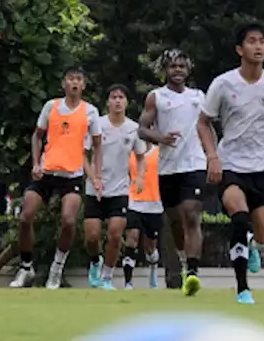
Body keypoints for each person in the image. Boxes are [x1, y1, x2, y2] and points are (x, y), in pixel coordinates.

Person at [197, 21, 264, 305]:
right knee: (239, 217)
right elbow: (203, 123)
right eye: (252, 41)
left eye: (262, 41)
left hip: (263, 169)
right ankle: (243, 289)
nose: (258, 46)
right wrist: (212, 157)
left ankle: (254, 244)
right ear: (240, 49)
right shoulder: (224, 84)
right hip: (231, 166)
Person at [11, 67, 102, 289]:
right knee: (25, 217)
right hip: (46, 172)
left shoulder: (90, 111)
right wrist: (35, 163)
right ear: (64, 84)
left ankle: (56, 269)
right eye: (70, 79)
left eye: (79, 79)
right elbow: (37, 135)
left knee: (69, 221)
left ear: (83, 85)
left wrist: (97, 176)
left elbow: (98, 145)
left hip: (72, 175)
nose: (74, 83)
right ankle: (26, 267)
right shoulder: (51, 106)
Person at [139, 49, 208, 295]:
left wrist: (214, 156)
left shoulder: (199, 96)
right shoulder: (155, 97)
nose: (177, 70)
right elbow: (142, 130)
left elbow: (207, 128)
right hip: (168, 167)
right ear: (165, 70)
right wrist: (161, 138)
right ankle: (182, 256)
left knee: (191, 214)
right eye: (172, 66)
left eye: (181, 66)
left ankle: (193, 272)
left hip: (195, 163)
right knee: (176, 220)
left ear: (188, 69)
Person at [83, 85, 144, 291]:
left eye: (121, 97)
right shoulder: (97, 125)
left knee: (116, 234)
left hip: (120, 190)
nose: (117, 101)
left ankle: (107, 277)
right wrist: (94, 179)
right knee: (92, 237)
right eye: (113, 97)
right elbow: (83, 155)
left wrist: (140, 177)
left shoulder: (133, 128)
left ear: (127, 102)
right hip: (95, 190)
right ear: (107, 102)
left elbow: (141, 157)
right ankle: (95, 262)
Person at [123, 128, 163, 291]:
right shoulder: (131, 154)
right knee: (131, 238)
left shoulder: (159, 153)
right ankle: (128, 282)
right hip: (133, 202)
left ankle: (153, 267)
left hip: (154, 204)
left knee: (150, 246)